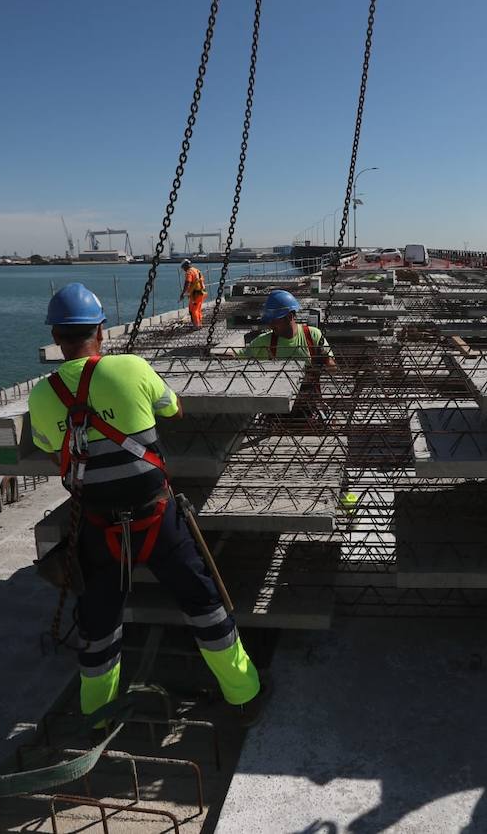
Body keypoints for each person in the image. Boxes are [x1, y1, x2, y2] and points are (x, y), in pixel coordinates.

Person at [28, 283, 264, 725]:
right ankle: (244, 693)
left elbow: (47, 445)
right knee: (205, 603)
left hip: (97, 528)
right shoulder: (133, 368)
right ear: (101, 331)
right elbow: (172, 410)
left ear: (56, 337)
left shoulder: (42, 396)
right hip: (157, 519)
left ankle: (97, 717)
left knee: (98, 624)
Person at [238, 289, 335, 421]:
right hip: (276, 411)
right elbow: (237, 357)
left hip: (309, 408)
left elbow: (332, 368)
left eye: (274, 320)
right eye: (269, 320)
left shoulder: (312, 335)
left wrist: (324, 362)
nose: (270, 324)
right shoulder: (264, 341)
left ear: (289, 317)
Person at [179, 260, 207, 328]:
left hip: (196, 294)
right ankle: (199, 323)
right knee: (197, 309)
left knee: (193, 310)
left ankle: (197, 325)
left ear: (186, 265)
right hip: (202, 292)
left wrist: (183, 293)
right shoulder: (196, 270)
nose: (184, 269)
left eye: (183, 268)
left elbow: (187, 283)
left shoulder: (189, 272)